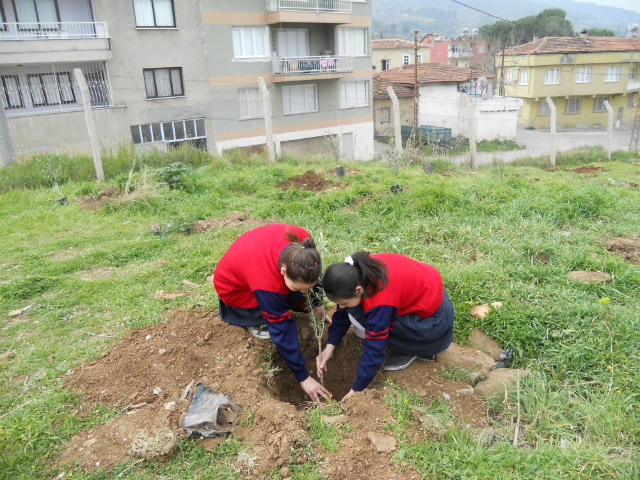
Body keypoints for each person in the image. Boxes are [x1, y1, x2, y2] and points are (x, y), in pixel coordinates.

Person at [213, 224, 332, 402]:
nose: (302, 291)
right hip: (235, 289)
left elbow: (314, 278)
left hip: (258, 266)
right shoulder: (268, 284)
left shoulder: (305, 248)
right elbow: (281, 328)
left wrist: (317, 305)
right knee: (277, 312)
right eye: (296, 287)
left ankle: (297, 293)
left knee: (298, 298)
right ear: (283, 271)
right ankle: (252, 319)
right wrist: (303, 377)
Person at [317, 251, 454, 401]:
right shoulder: (358, 270)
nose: (340, 307)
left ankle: (415, 350)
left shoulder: (381, 300)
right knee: (354, 310)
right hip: (425, 296)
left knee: (363, 319)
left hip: (433, 323)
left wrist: (356, 389)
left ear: (358, 290)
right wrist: (330, 345)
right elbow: (343, 310)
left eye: (342, 302)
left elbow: (375, 348)